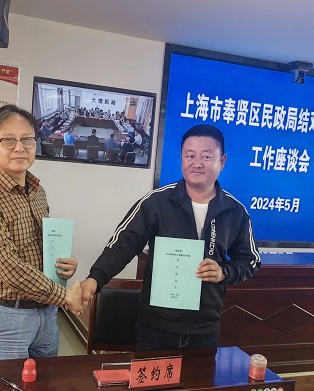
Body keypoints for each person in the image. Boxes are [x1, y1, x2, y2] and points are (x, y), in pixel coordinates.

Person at [81, 124, 261, 351]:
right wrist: (95, 278)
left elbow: (250, 260)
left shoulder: (235, 211)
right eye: (190, 156)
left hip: (204, 329)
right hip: (155, 328)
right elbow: (123, 245)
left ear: (222, 161)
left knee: (199, 377)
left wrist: (224, 272)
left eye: (206, 156)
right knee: (152, 376)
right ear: (182, 158)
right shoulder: (156, 202)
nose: (197, 163)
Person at [0, 105, 85, 362]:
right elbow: (6, 266)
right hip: (5, 317)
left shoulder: (36, 190)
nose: (19, 148)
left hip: (46, 314)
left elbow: (41, 245)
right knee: (5, 387)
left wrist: (65, 262)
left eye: (27, 139)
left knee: (46, 383)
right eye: (8, 140)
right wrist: (65, 297)